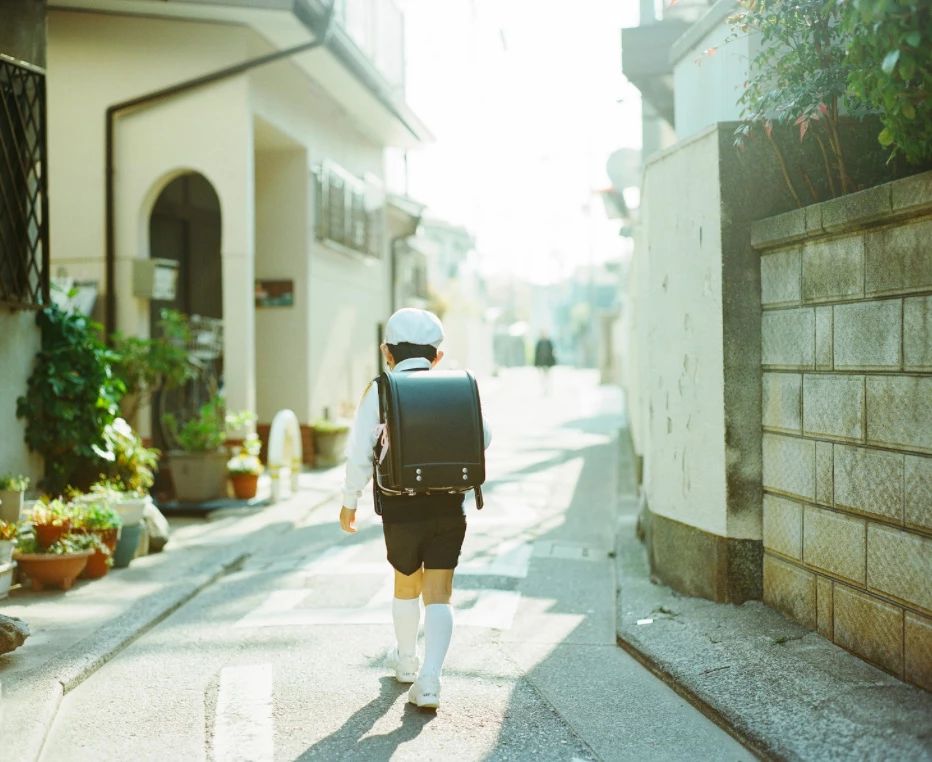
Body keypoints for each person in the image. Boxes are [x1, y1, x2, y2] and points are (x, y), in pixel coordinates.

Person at [339, 308, 491, 710]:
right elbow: (484, 437)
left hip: (400, 505)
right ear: (437, 356)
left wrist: (349, 501)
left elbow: (358, 452)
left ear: (386, 352)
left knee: (406, 582)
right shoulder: (456, 386)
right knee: (439, 593)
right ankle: (430, 681)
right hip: (448, 502)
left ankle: (407, 661)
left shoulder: (381, 389)